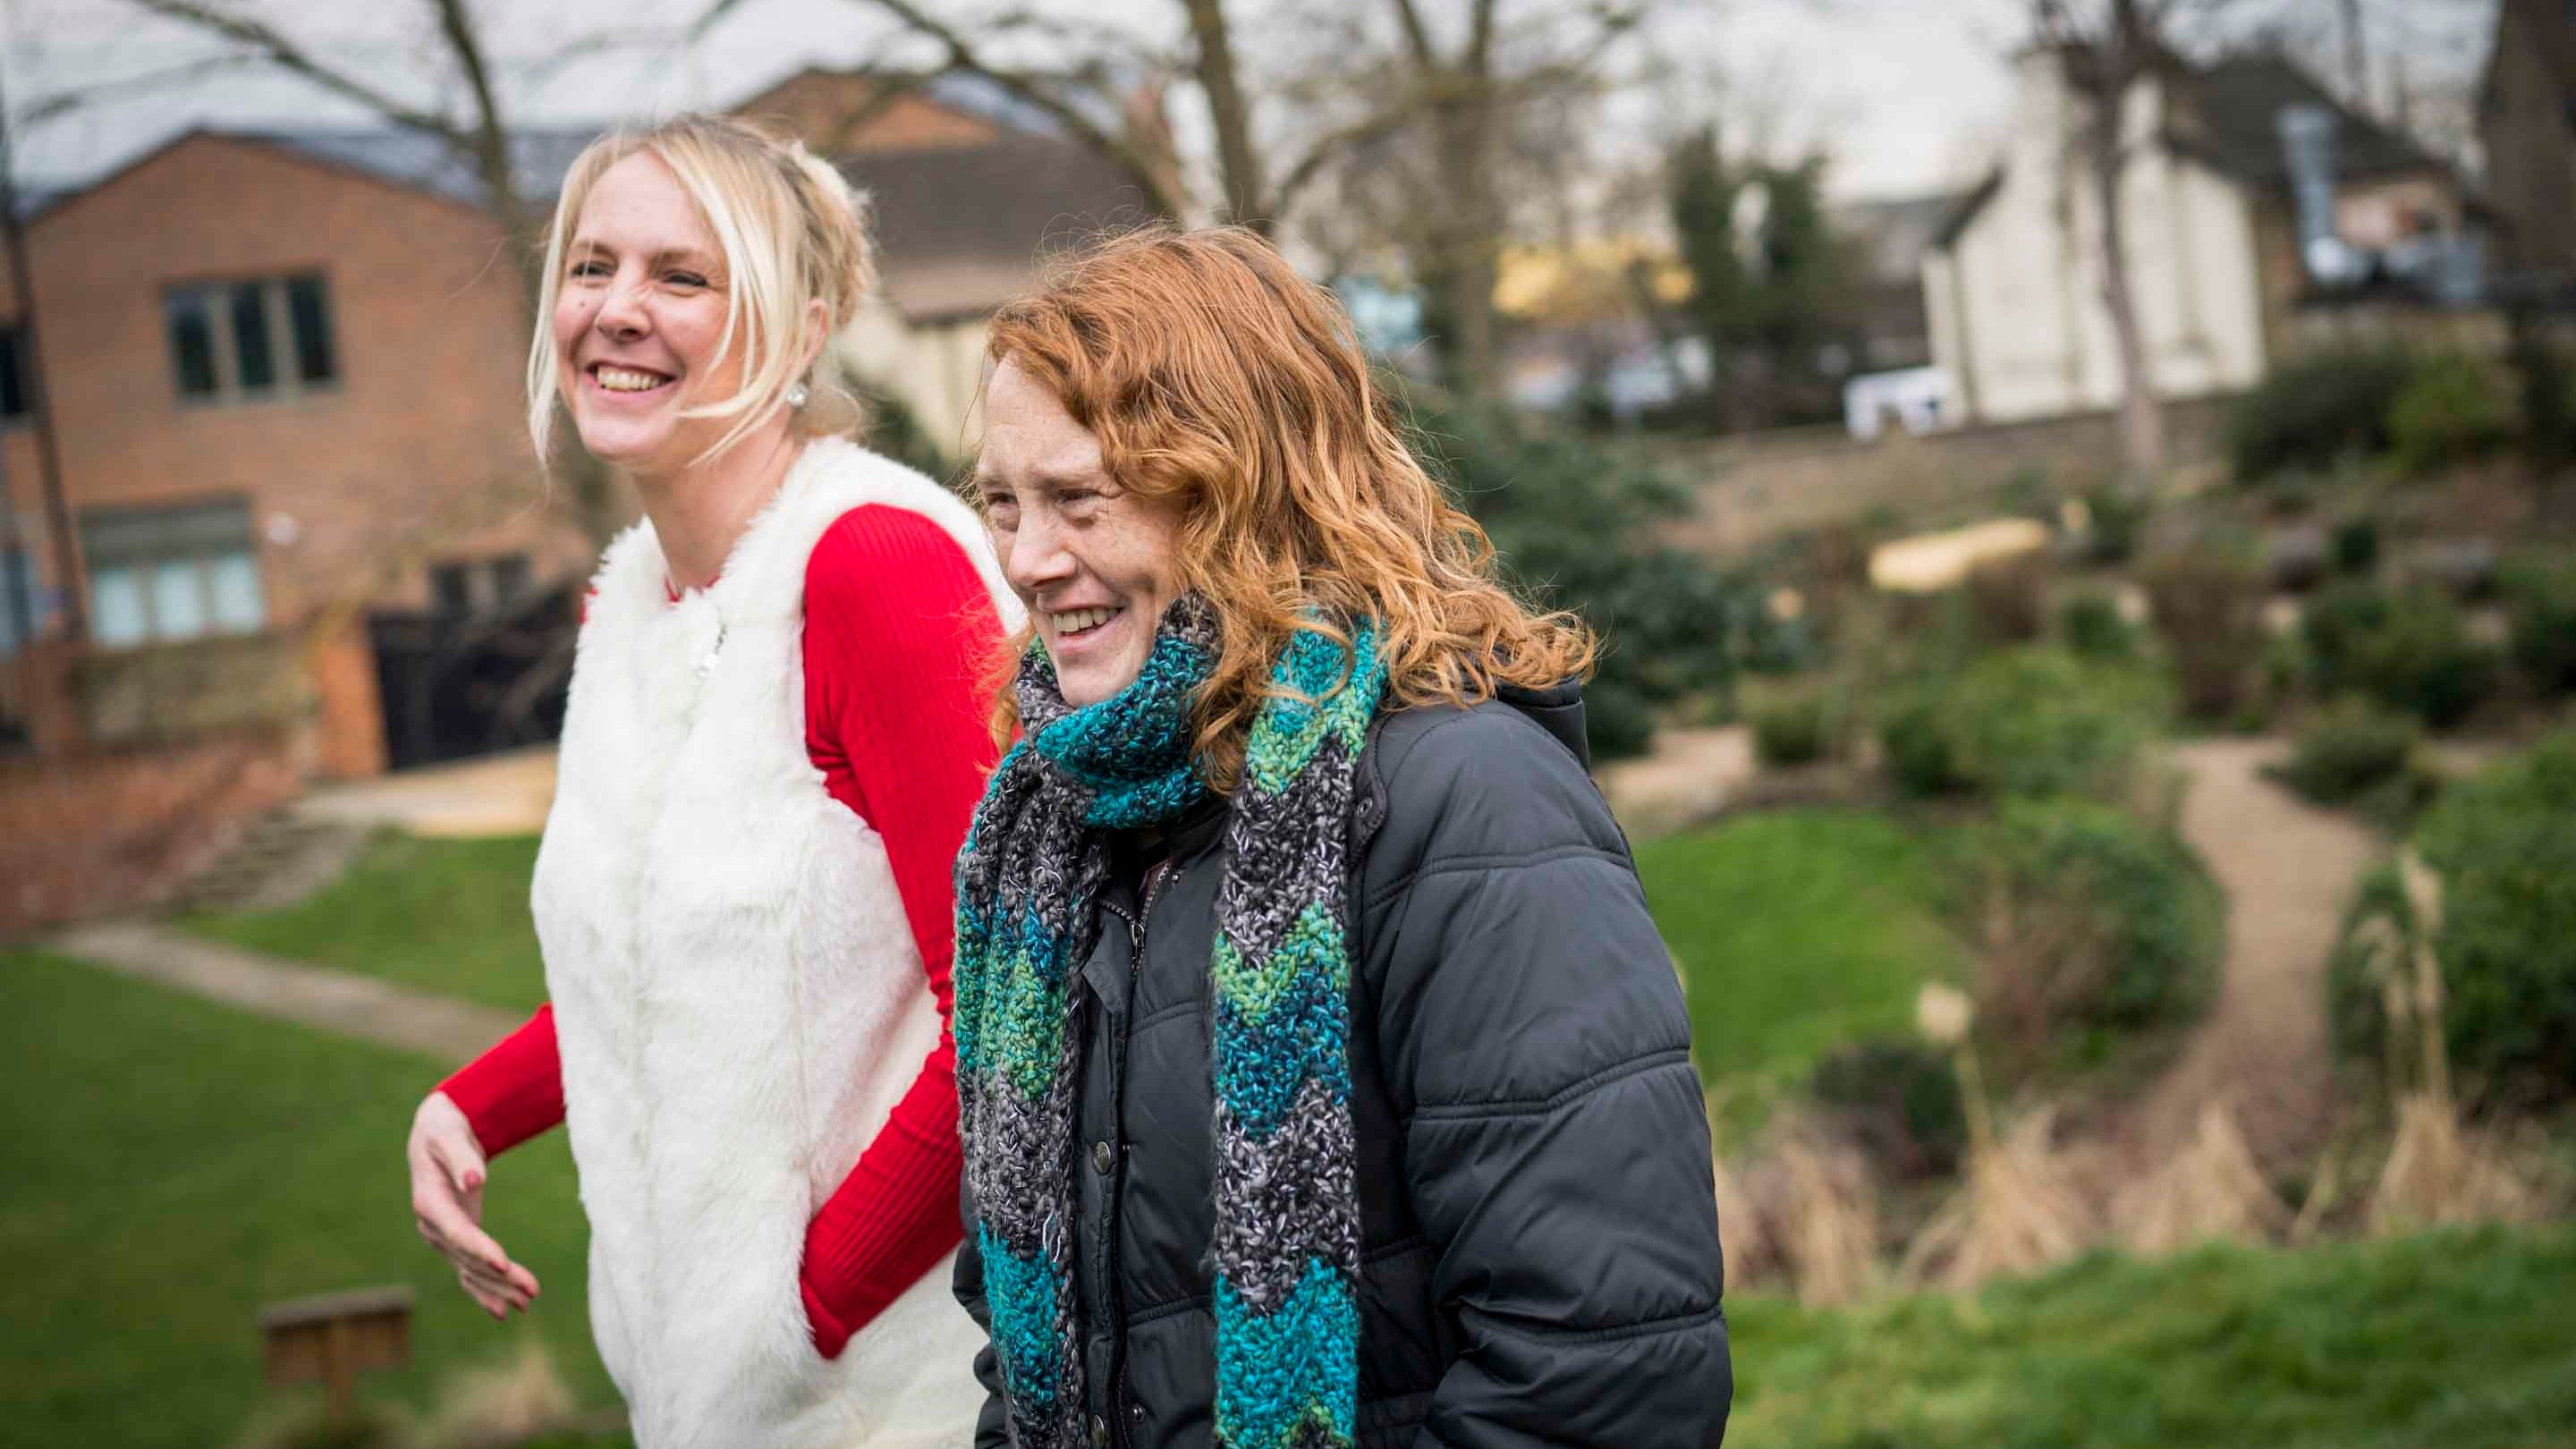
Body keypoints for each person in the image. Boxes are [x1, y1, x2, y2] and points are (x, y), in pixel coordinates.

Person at [953, 226, 1732, 1449]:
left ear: (1241, 489)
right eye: (1003, 502)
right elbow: (1032, 1348)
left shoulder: (1464, 802)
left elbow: (1601, 1379)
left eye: (1078, 501)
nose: (1026, 558)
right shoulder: (1057, 834)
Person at [403, 114, 1006, 1448]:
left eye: (683, 277)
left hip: (898, 1399)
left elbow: (1021, 1008)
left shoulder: (875, 573)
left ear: (800, 333)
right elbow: (680, 973)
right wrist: (471, 1106)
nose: (619, 311)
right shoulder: (627, 608)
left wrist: (799, 1317)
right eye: (590, 265)